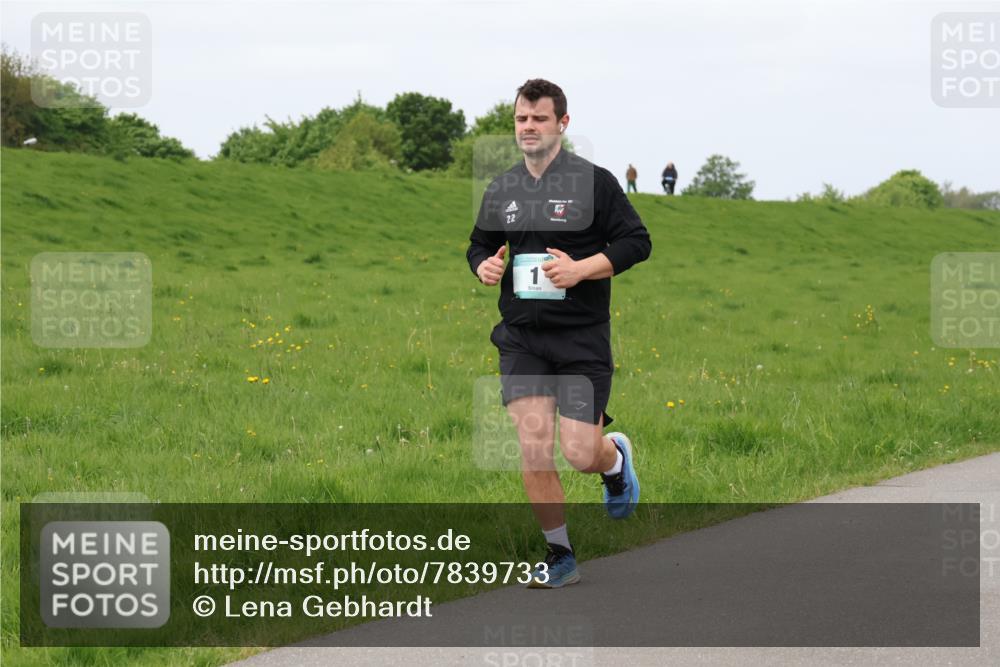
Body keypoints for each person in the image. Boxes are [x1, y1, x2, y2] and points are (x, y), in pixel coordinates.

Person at [467, 79, 651, 588]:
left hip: (580, 340)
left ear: (562, 124)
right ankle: (560, 556)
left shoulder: (595, 183)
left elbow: (637, 242)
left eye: (539, 119)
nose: (529, 127)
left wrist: (583, 268)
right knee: (532, 445)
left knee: (579, 453)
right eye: (522, 119)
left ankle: (613, 458)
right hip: (523, 337)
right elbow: (479, 243)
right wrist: (482, 265)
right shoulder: (502, 188)